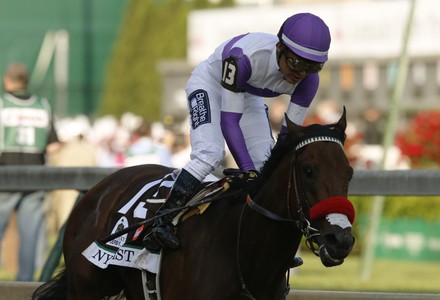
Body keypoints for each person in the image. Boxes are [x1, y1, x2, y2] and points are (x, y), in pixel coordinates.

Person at [144, 13, 331, 254]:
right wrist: (246, 169)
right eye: (296, 63)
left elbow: (287, 137)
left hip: (248, 92)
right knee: (209, 154)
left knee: (267, 166)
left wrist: (265, 171)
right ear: (280, 48)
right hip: (210, 84)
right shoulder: (242, 58)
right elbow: (229, 122)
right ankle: (161, 221)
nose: (302, 73)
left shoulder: (309, 81)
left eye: (312, 66)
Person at [0, 62, 60, 281]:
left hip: (6, 177)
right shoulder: (42, 106)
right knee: (30, 239)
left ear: (7, 81)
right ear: (26, 81)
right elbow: (53, 146)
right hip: (36, 177)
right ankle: (23, 285)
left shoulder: (2, 104)